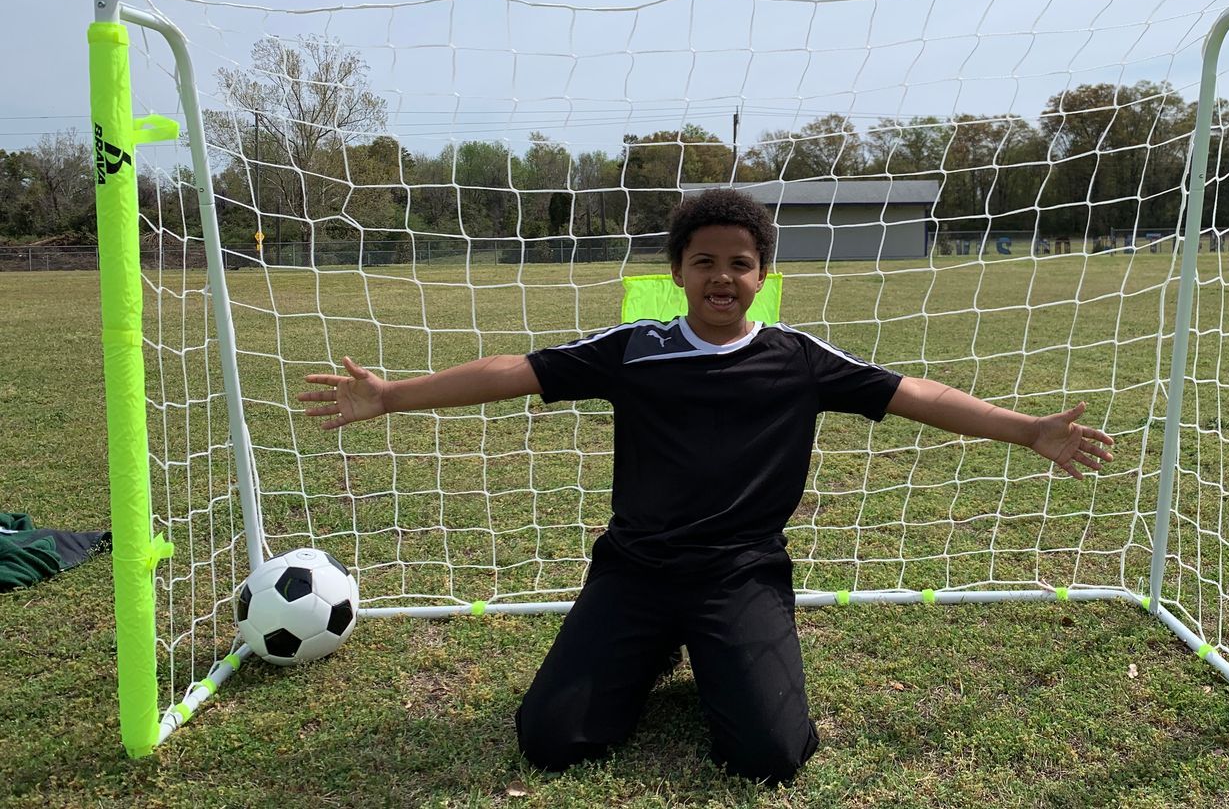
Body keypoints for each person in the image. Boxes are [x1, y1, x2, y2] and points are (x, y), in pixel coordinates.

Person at [298, 188, 1114, 784]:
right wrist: (393, 395)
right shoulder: (636, 347)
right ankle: (651, 648)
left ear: (762, 274)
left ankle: (722, 651)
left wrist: (1028, 430)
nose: (722, 277)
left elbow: (916, 395)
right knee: (552, 741)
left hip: (740, 574)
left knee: (770, 758)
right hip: (637, 571)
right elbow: (518, 373)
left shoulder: (799, 358)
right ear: (679, 272)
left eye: (740, 263)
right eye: (705, 262)